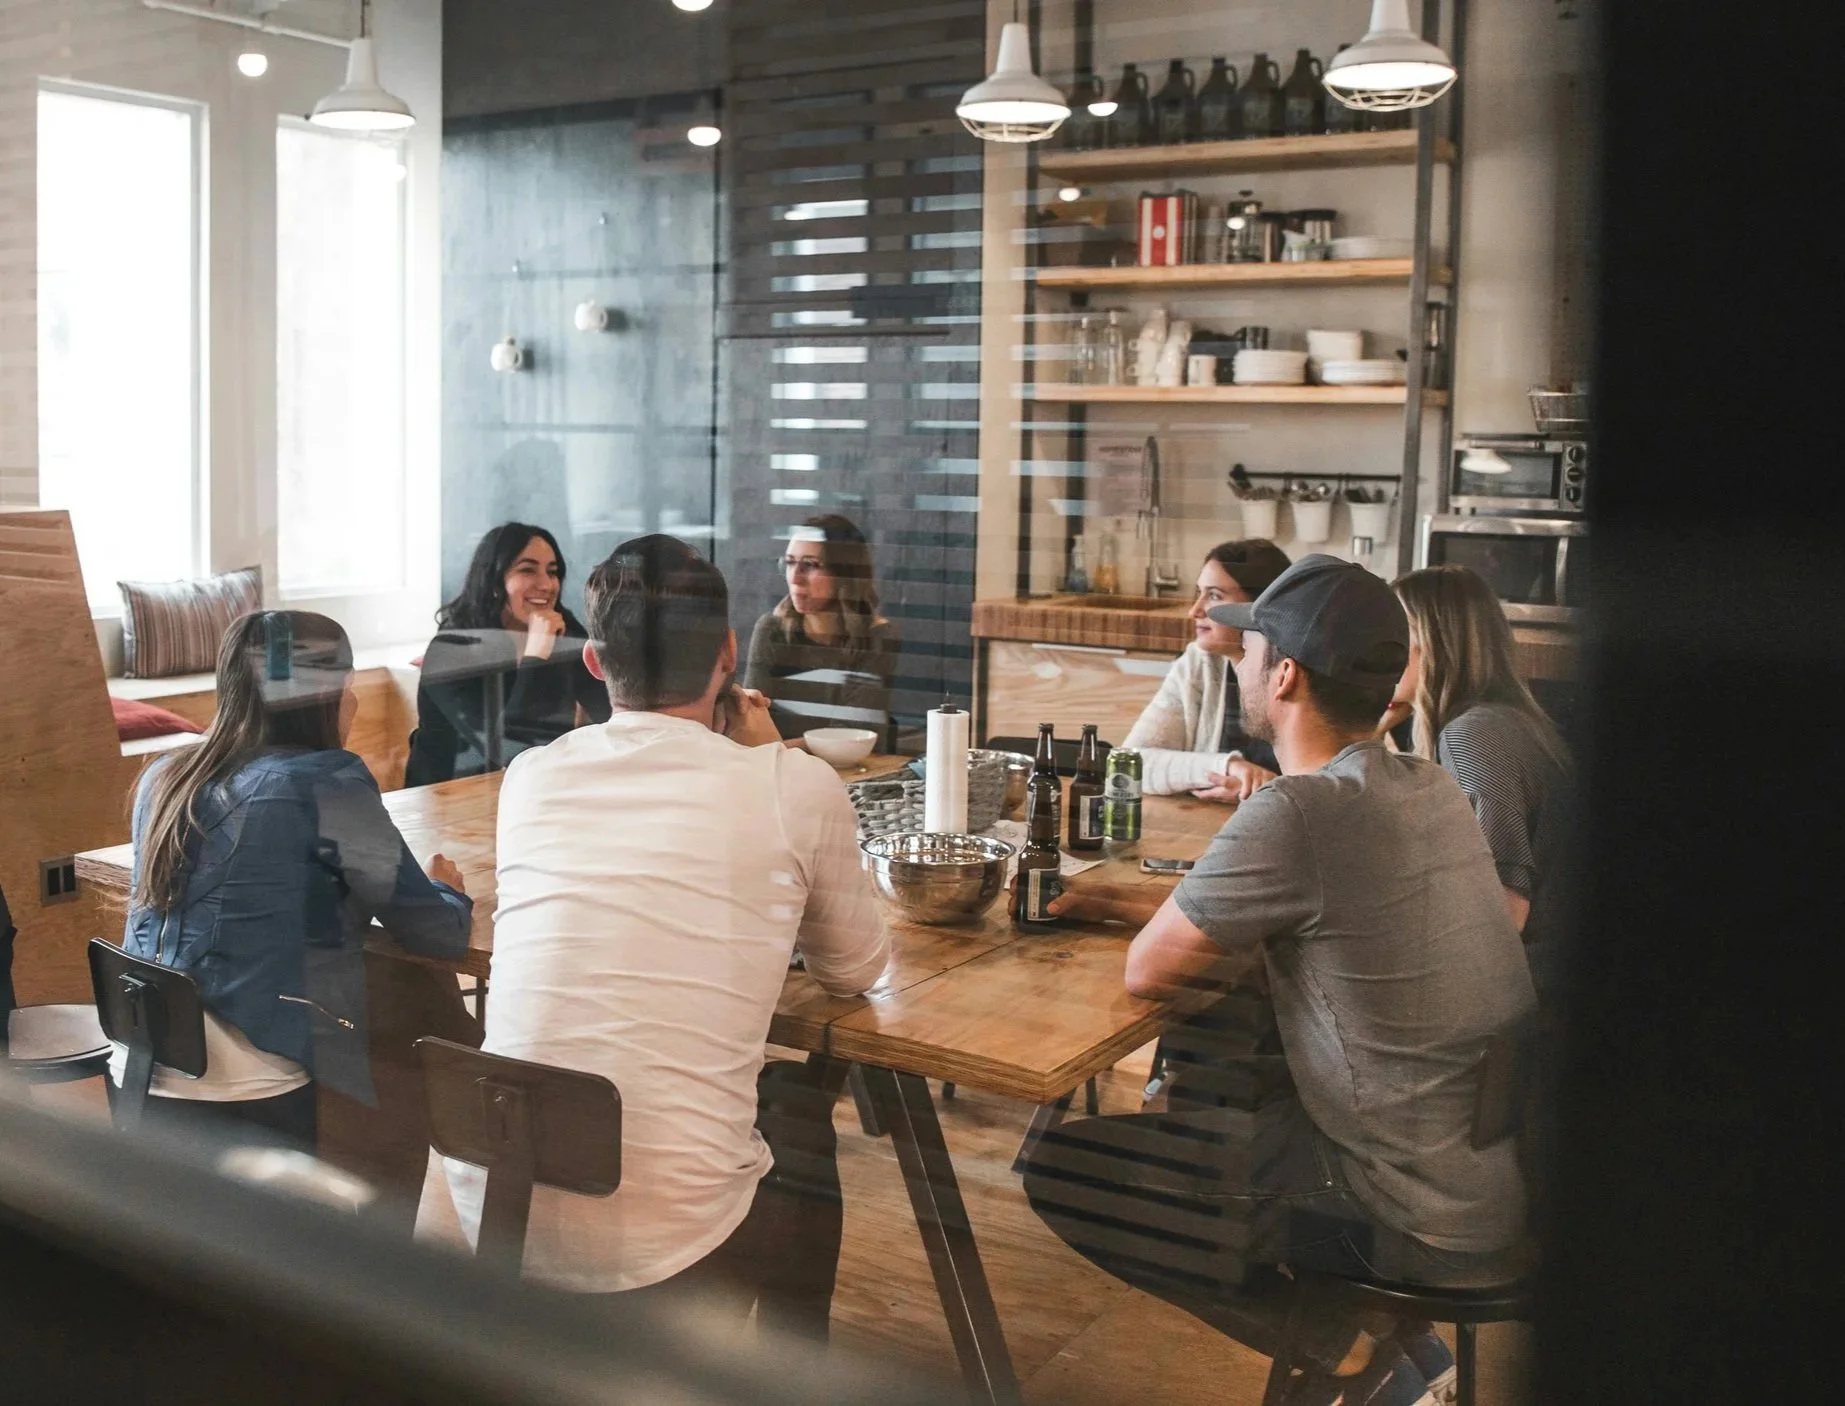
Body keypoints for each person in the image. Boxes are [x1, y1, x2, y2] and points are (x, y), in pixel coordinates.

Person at [1024, 556, 1537, 1405]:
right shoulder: (1425, 785)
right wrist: (1102, 898)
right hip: (1481, 1177)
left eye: (1255, 646)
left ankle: (1346, 1350)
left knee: (1067, 1171)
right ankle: (1390, 1354)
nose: (1244, 660)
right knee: (1228, 1063)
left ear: (1286, 674)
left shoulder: (1299, 811)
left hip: (1399, 1210)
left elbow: (1149, 971)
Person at [417, 535, 889, 1340]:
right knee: (801, 1117)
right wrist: (770, 760)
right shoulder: (791, 784)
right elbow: (855, 968)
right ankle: (791, 1368)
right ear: (730, 656)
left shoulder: (532, 777)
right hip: (671, 1239)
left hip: (496, 1201)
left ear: (594, 663)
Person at [119, 611, 473, 1153]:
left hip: (142, 1067)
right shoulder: (325, 783)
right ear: (329, 695)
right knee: (411, 1028)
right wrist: (449, 889)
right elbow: (436, 934)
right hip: (247, 1082)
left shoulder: (163, 777)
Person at [1389, 564, 1575, 991]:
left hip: (1532, 991)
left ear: (1430, 643)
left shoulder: (1473, 736)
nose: (1378, 648)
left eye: (1393, 632)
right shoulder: (1502, 719)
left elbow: (1501, 914)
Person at [404, 523, 612, 786]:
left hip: (534, 788)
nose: (546, 584)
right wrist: (536, 656)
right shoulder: (450, 650)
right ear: (493, 582)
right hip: (448, 798)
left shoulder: (562, 628)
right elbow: (511, 750)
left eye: (553, 572)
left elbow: (611, 710)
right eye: (527, 570)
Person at [1122, 539, 1292, 804]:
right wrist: (1230, 767)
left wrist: (1263, 790)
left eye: (1214, 596)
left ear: (1260, 606)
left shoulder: (1302, 672)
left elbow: (1329, 785)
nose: (1195, 610)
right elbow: (1130, 762)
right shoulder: (1199, 662)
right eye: (1198, 593)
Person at [743, 514, 900, 741]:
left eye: (810, 565)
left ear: (844, 574)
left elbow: (850, 735)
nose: (795, 578)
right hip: (780, 767)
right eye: (789, 563)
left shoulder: (878, 636)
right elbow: (750, 720)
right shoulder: (772, 629)